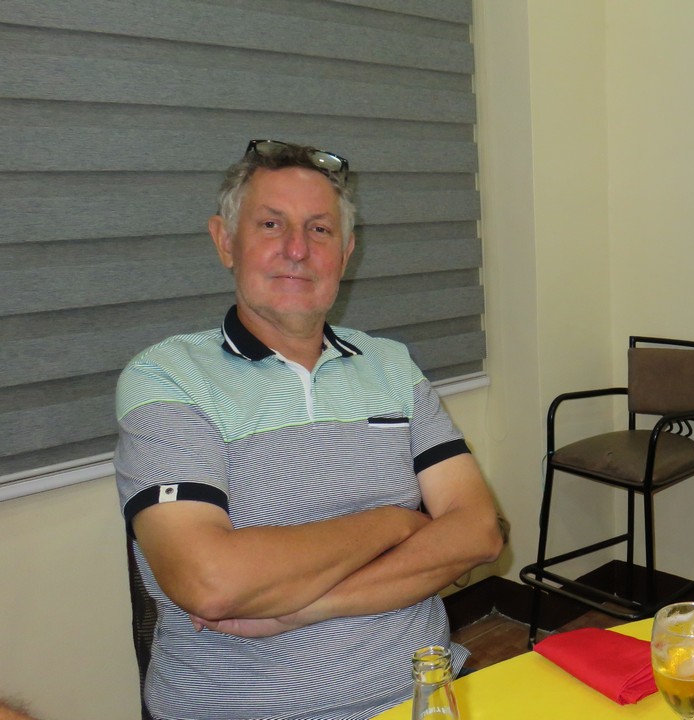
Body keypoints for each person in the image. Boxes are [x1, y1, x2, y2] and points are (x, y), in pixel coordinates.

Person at [114, 140, 504, 719]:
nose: (297, 249)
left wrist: (300, 608)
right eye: (271, 224)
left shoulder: (392, 366)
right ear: (225, 241)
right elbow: (210, 581)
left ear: (345, 253)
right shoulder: (168, 376)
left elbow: (478, 532)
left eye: (319, 230)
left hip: (420, 698)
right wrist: (395, 522)